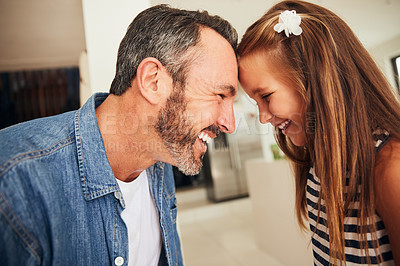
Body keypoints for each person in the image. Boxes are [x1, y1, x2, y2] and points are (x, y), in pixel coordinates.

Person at [0, 4, 238, 266]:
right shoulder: (14, 180)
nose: (229, 124)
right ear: (152, 81)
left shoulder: (160, 161)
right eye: (219, 95)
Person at [238, 0, 400, 264]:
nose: (264, 117)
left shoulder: (390, 166)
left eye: (266, 96)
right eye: (257, 103)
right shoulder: (318, 163)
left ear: (316, 78)